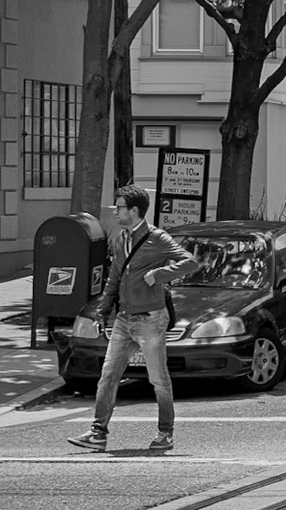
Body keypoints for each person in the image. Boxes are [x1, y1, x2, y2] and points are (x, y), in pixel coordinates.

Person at [68, 184, 196, 453]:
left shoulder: (156, 238)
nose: (115, 211)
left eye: (120, 206)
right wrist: (103, 311)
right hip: (124, 320)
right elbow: (114, 277)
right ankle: (98, 433)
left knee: (158, 379)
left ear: (134, 210)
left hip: (150, 319)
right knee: (108, 376)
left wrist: (159, 275)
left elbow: (189, 262)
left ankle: (165, 434)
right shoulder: (120, 238)